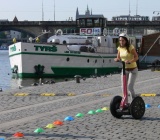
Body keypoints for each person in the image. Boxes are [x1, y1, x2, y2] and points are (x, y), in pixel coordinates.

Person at [114, 33, 139, 100]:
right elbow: (118, 57)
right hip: (125, 70)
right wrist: (117, 59)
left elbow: (136, 57)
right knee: (123, 87)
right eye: (120, 40)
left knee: (130, 86)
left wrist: (130, 61)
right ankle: (125, 102)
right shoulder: (119, 48)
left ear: (126, 41)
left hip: (133, 70)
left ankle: (134, 100)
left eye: (123, 40)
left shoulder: (131, 47)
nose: (121, 42)